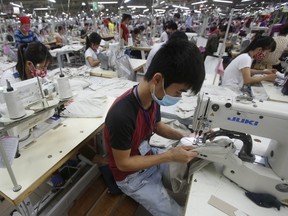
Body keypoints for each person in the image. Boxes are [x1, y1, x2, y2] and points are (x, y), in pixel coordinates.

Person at [104, 39, 205, 216]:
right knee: (176, 213)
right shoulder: (122, 114)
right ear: (158, 79)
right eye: (179, 91)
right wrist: (169, 155)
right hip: (131, 177)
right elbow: (124, 164)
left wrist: (184, 136)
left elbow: (156, 126)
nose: (178, 97)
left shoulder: (151, 97)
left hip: (148, 156)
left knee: (194, 174)